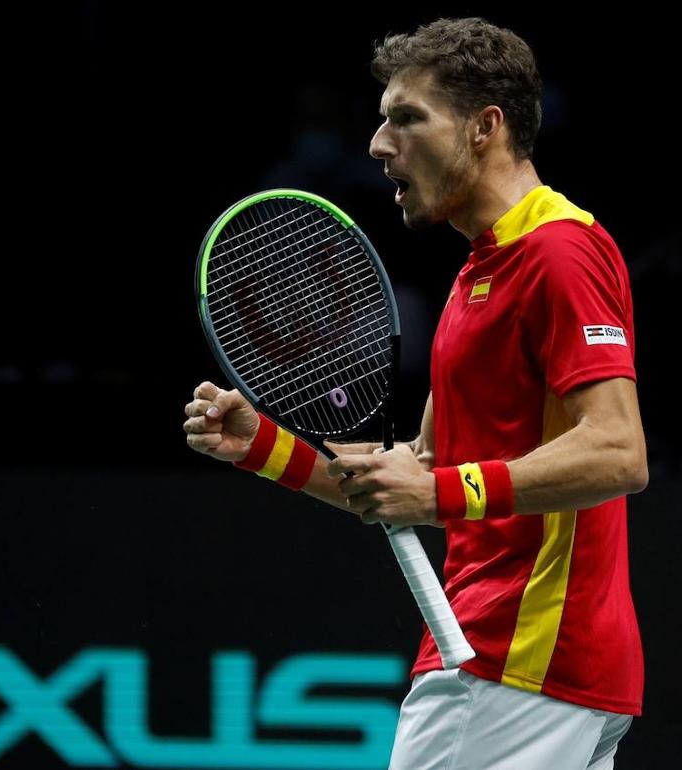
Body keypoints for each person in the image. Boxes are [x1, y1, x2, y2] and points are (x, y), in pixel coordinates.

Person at [183, 17, 646, 770]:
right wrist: (264, 449)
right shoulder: (478, 274)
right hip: (539, 668)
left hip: (513, 656)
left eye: (407, 118)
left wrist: (437, 494)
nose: (377, 143)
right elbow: (419, 474)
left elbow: (619, 453)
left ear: (483, 128)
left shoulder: (558, 252)